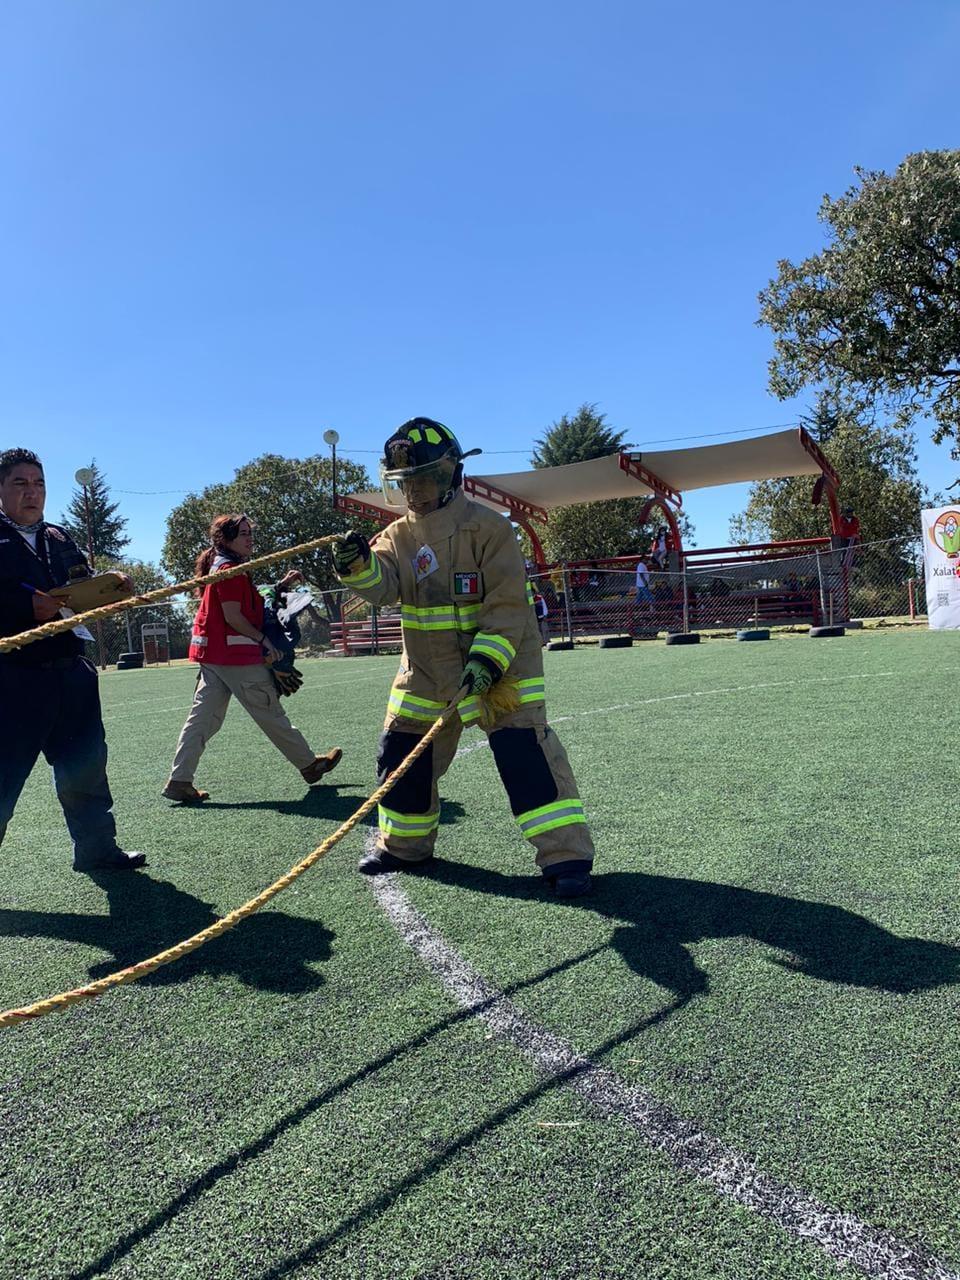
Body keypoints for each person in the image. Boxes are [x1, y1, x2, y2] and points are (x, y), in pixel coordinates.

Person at [331, 417, 595, 897]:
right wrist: (357, 567)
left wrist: (486, 663)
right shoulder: (396, 537)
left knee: (524, 757)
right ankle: (404, 847)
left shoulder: (490, 529)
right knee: (402, 756)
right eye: (406, 483)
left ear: (452, 474)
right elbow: (383, 587)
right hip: (425, 673)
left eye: (425, 478)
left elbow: (507, 607)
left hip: (501, 670)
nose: (416, 491)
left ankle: (566, 857)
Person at [0, 447, 146, 872]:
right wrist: (26, 606)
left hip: (71, 672)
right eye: (20, 483)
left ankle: (97, 849)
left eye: (39, 483)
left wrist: (111, 592)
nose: (33, 493)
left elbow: (81, 587)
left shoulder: (59, 536)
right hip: (13, 677)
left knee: (85, 765)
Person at [162, 514, 342, 803]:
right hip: (236, 657)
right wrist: (264, 641)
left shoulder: (222, 566)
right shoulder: (230, 570)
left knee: (203, 719)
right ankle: (309, 765)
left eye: (250, 533)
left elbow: (247, 603)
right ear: (226, 539)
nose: (250, 538)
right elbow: (234, 616)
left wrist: (281, 585)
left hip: (214, 655)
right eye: (243, 533)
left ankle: (179, 780)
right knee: (269, 711)